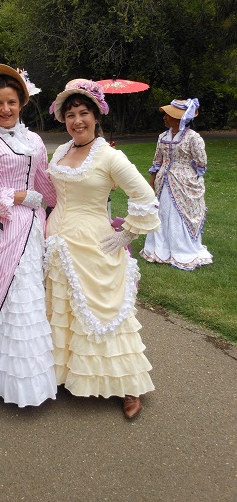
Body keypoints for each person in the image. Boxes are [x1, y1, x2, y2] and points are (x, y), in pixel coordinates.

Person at [45, 79, 161, 419]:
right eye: (70, 114)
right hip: (58, 245)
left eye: (84, 113)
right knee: (64, 312)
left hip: (93, 245)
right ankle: (68, 374)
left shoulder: (111, 156)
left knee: (105, 314)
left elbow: (146, 199)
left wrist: (126, 234)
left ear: (97, 116)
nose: (77, 121)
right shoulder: (61, 151)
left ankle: (129, 386)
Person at [0, 64, 57, 408]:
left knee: (28, 297)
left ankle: (27, 381)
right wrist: (17, 196)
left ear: (22, 103)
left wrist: (71, 202)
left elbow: (46, 183)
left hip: (31, 230)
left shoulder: (34, 140)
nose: (6, 109)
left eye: (12, 102)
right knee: (6, 298)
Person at [140, 99, 213, 270]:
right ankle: (160, 249)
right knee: (162, 214)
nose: (164, 117)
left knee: (178, 215)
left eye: (168, 115)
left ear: (178, 118)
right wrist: (152, 182)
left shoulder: (193, 138)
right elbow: (157, 161)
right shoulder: (162, 137)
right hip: (163, 183)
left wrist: (187, 175)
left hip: (183, 183)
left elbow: (201, 163)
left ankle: (181, 250)